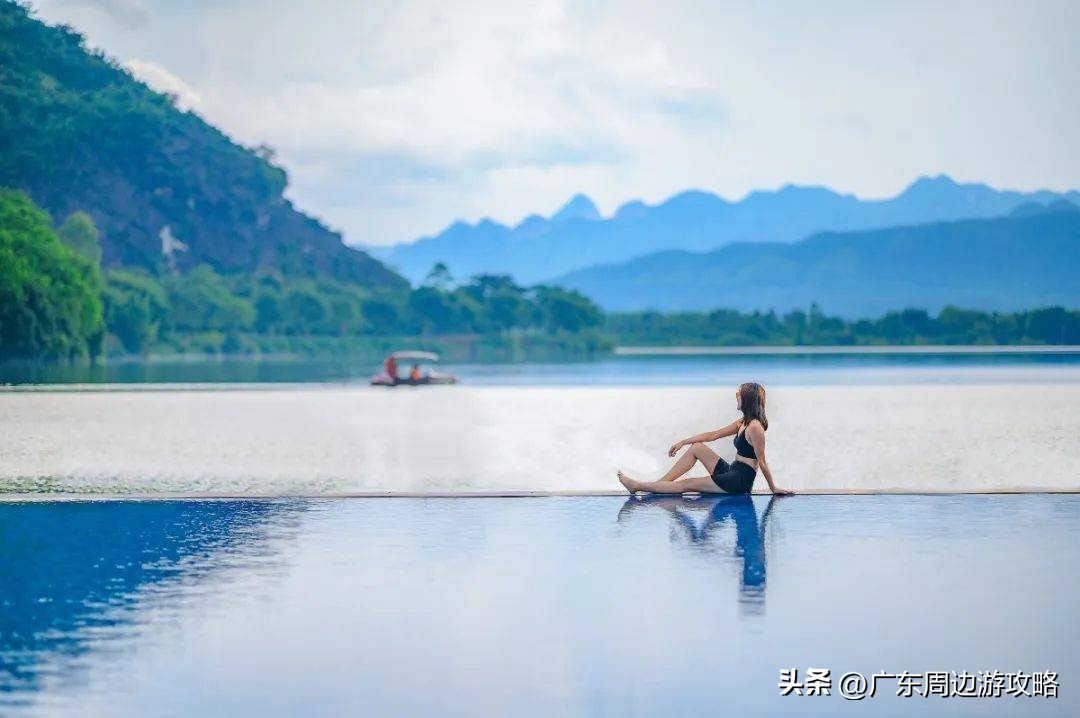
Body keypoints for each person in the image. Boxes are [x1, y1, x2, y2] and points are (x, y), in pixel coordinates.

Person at [617, 382, 794, 496]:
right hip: (732, 470)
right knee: (697, 447)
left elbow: (762, 461)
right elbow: (713, 435)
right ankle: (658, 485)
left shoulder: (755, 427)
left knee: (687, 484)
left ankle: (637, 485)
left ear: (747, 399)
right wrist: (683, 442)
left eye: (739, 395)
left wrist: (773, 488)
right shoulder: (743, 422)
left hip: (739, 482)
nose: (736, 397)